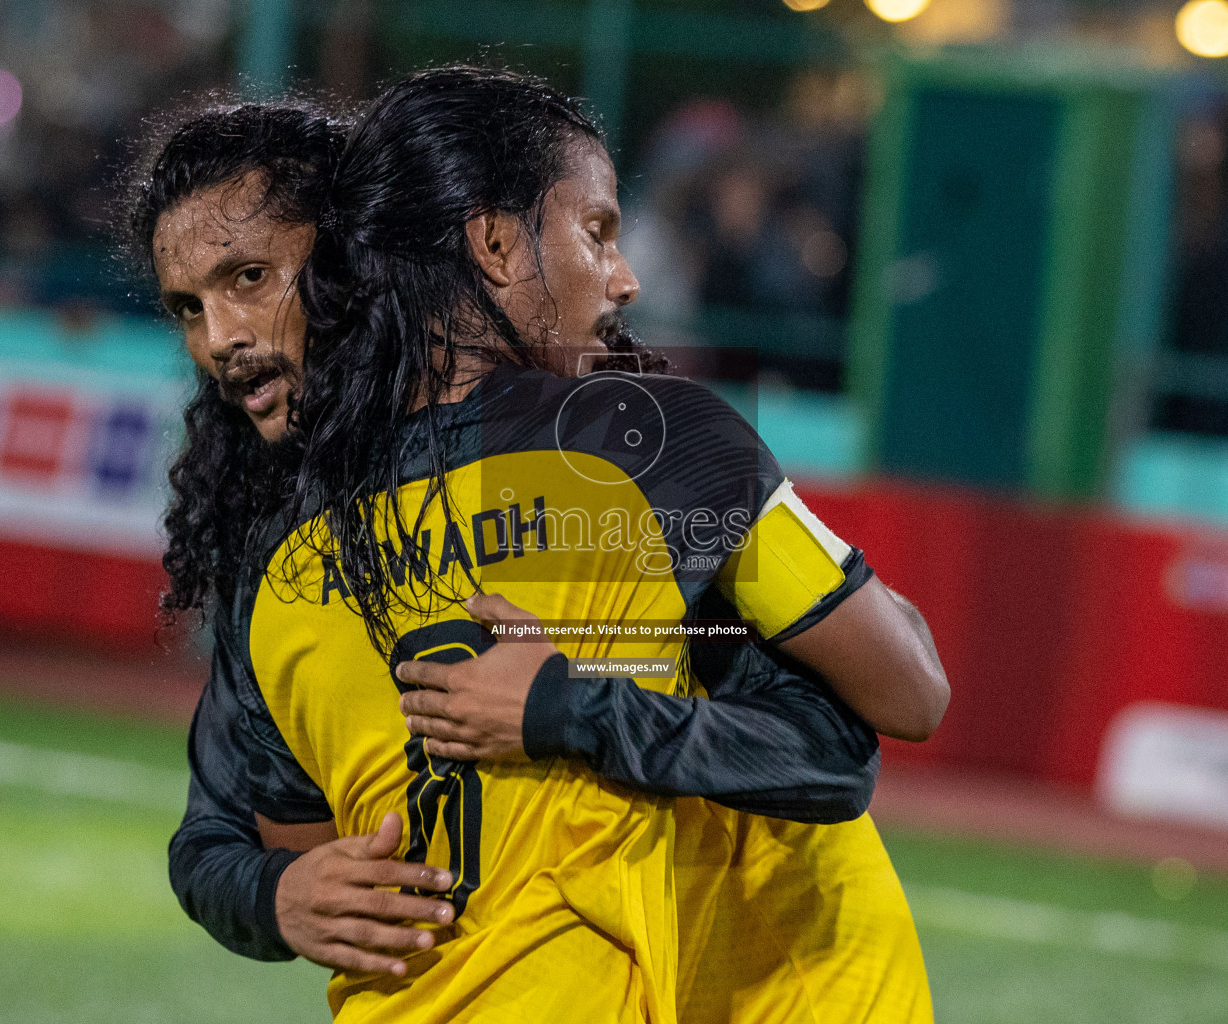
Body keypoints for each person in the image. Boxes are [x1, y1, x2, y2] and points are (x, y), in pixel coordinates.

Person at [121, 79, 942, 1021]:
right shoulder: (284, 545)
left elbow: (872, 718)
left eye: (252, 278)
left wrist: (577, 691)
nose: (221, 337)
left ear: (351, 261)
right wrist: (278, 894)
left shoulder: (635, 454)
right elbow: (231, 835)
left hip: (788, 977)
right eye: (188, 307)